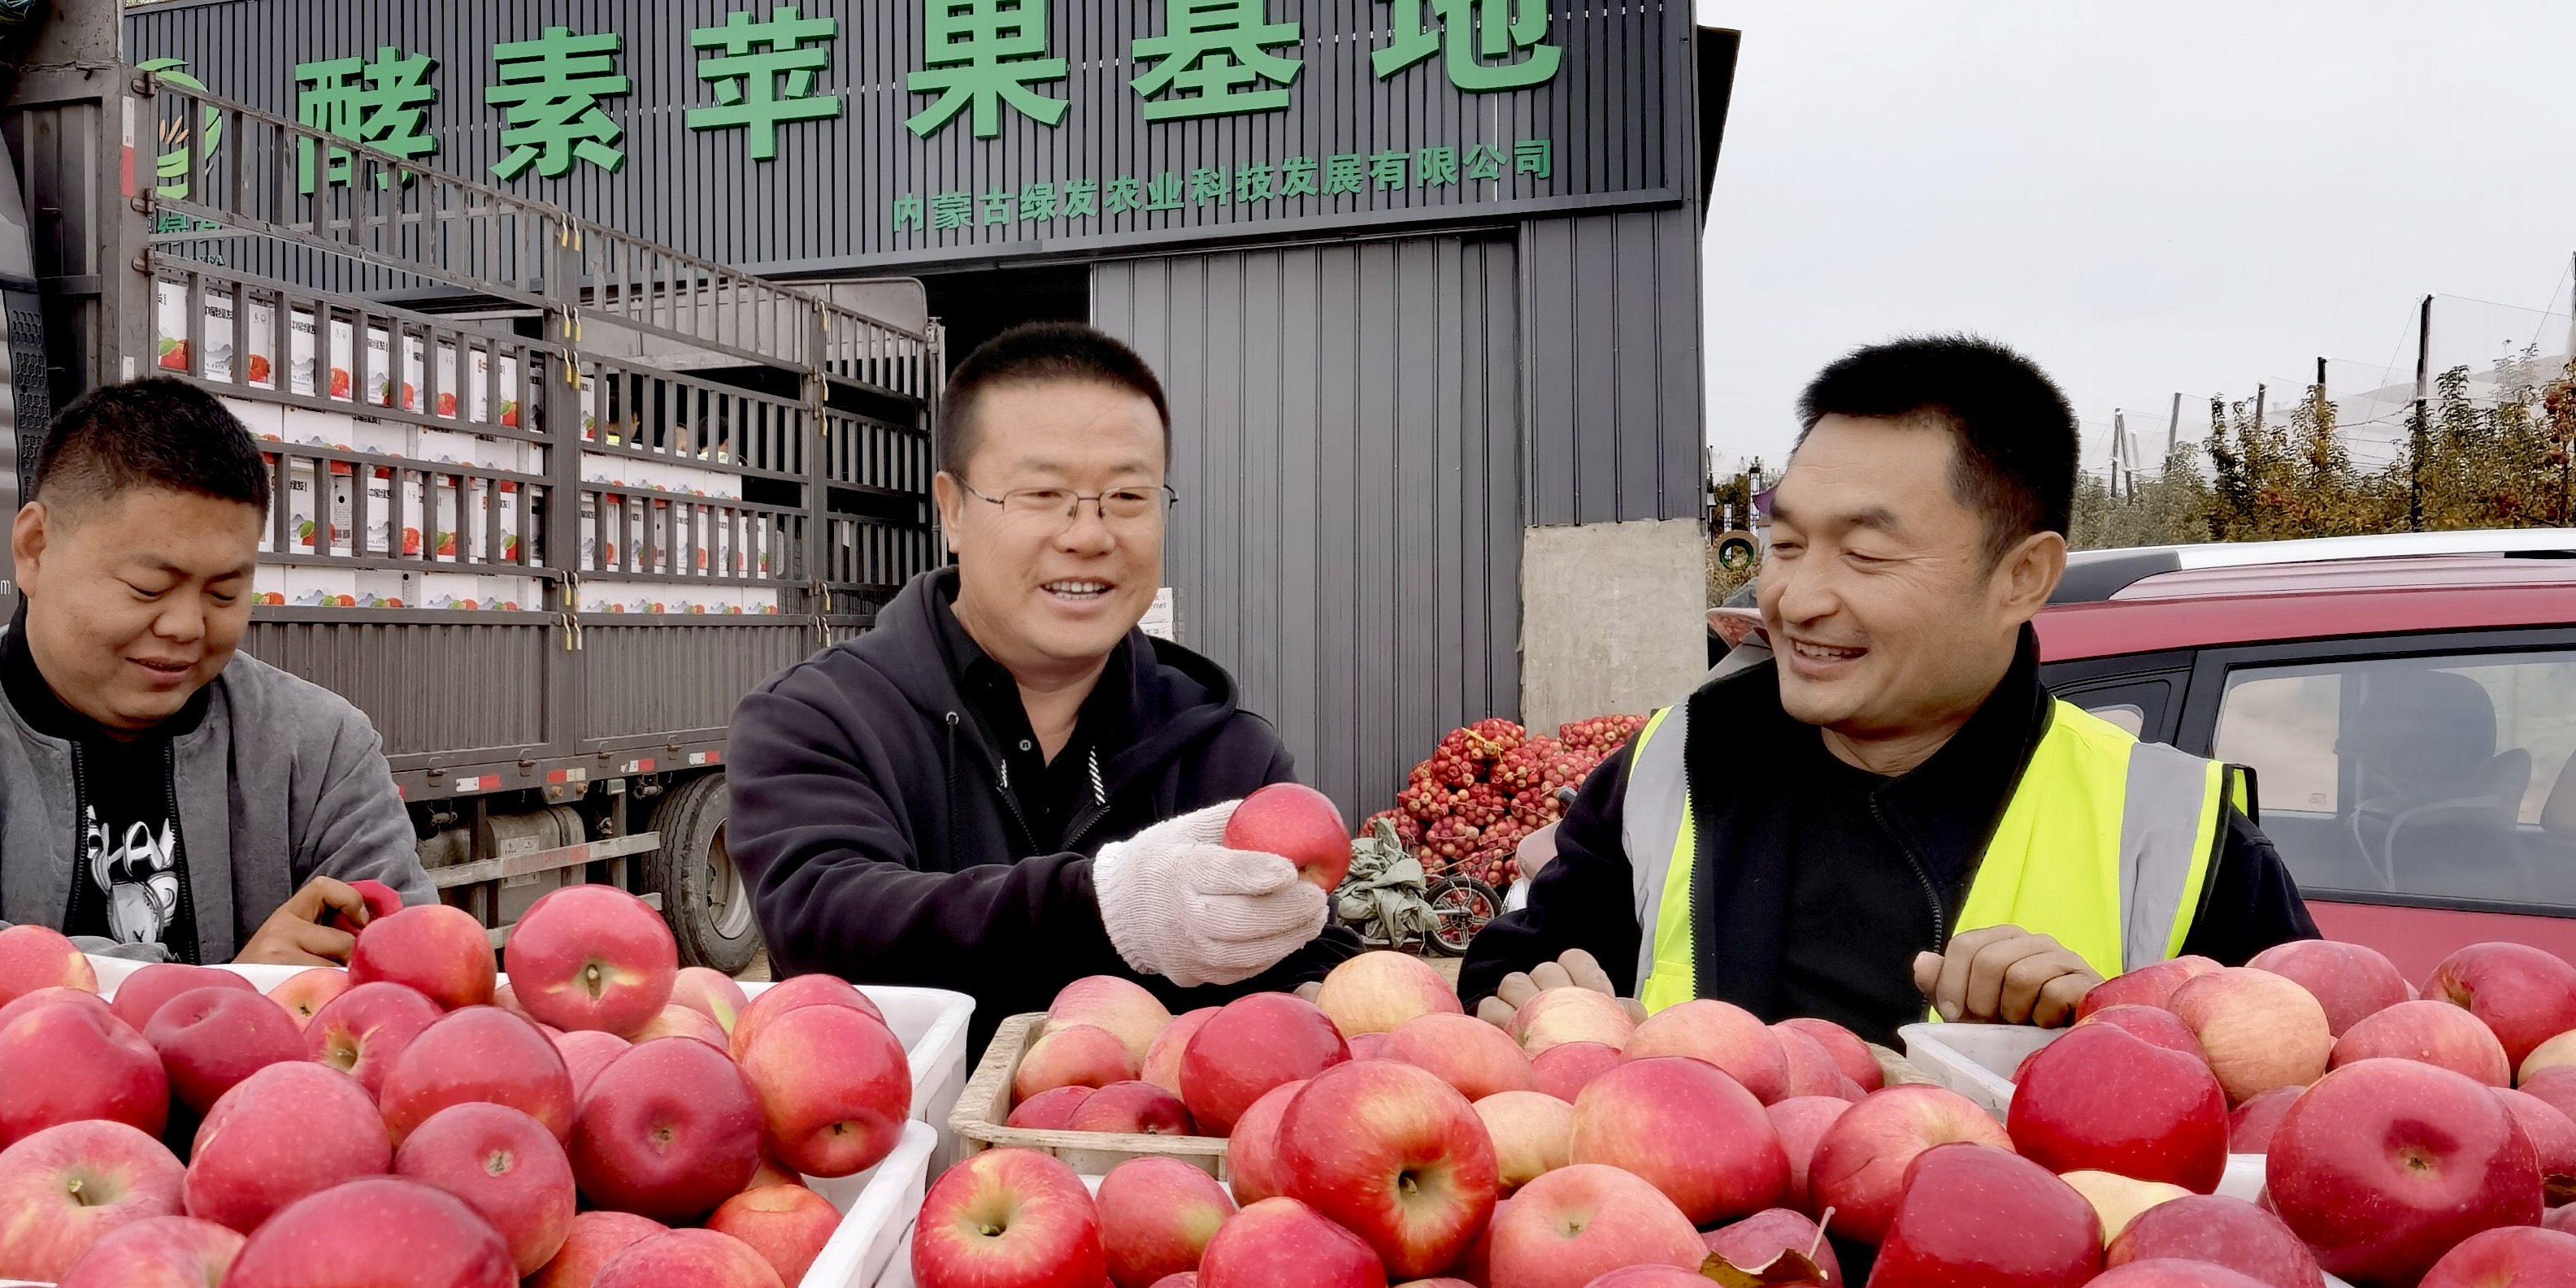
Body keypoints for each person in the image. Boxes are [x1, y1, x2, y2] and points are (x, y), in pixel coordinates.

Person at [1465, 336, 2311, 1042]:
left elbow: (2280, 1114)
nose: (1795, 598)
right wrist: (1524, 1004)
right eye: (1786, 544)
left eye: (1864, 555)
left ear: (2021, 576)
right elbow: (1511, 978)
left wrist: (2103, 1035)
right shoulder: (1674, 763)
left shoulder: (2173, 836)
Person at [728, 321, 1353, 1039]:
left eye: (1127, 498)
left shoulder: (1227, 756)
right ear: (954, 508)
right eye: (1042, 493)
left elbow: (1306, 954)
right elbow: (827, 925)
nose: (1088, 535)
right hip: (901, 1142)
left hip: (1149, 1149)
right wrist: (1105, 907)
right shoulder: (819, 720)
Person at [0, 374, 424, 965]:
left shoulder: (321, 746)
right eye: (147, 587)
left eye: (225, 594)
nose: (186, 627)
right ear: (34, 547)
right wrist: (226, 992)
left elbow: (406, 956)